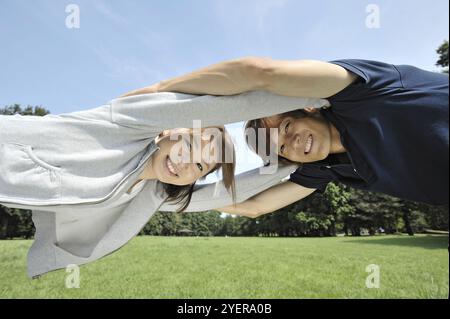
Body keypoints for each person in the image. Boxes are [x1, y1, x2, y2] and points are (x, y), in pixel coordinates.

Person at [1, 59, 329, 277]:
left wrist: (287, 162)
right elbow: (229, 105)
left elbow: (238, 197)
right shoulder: (126, 127)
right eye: (189, 143)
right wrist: (314, 95)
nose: (187, 162)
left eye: (200, 165)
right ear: (167, 129)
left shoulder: (157, 194)